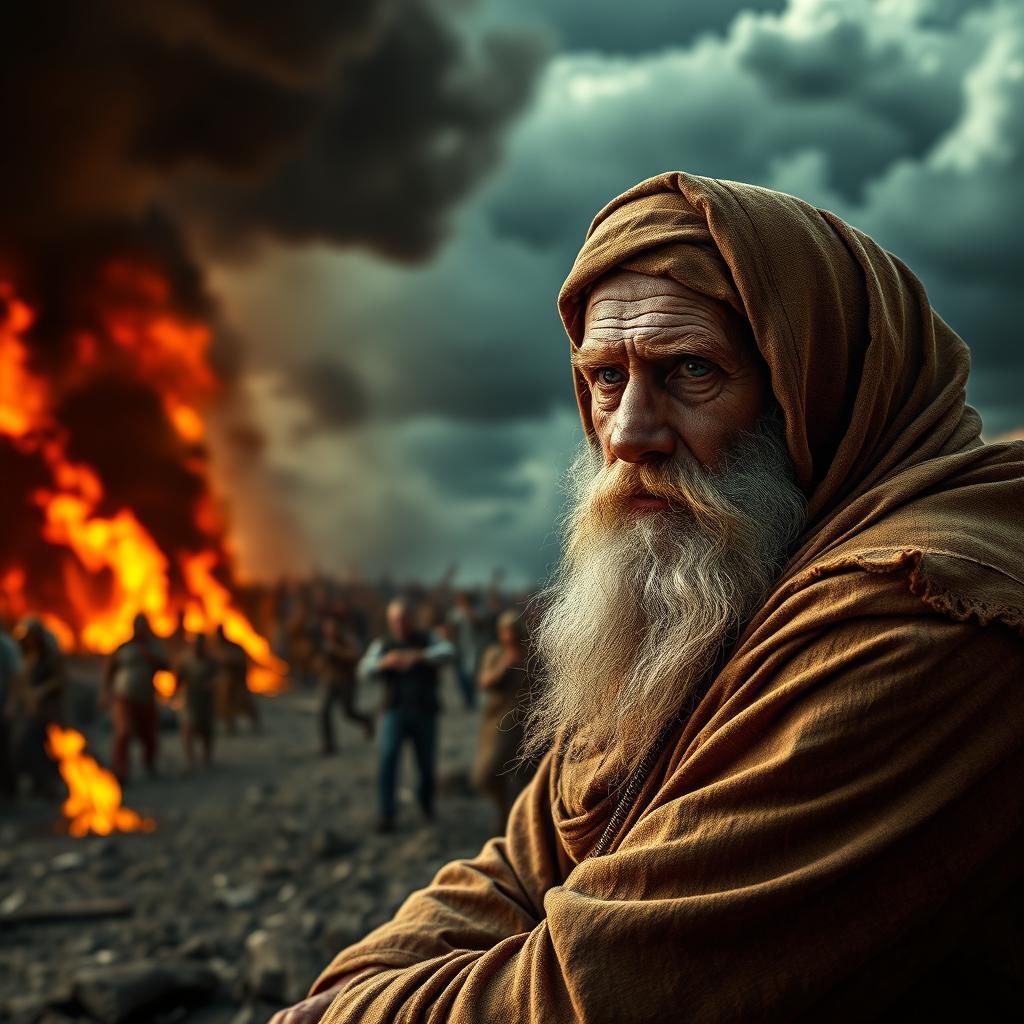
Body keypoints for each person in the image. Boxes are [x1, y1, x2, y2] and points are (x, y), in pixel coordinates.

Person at [273, 172, 1024, 1023]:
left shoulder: (925, 614)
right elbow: (518, 870)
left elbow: (600, 995)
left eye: (691, 370)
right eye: (604, 378)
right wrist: (344, 996)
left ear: (814, 389)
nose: (628, 432)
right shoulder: (716, 589)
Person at [360, 598, 454, 833]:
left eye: (403, 619)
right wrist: (384, 663)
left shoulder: (427, 638)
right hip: (395, 710)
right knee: (389, 759)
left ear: (412, 619)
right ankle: (387, 814)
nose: (400, 625)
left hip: (424, 711)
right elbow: (364, 668)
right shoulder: (384, 644)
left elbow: (448, 651)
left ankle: (426, 805)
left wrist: (419, 657)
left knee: (425, 763)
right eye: (395, 620)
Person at [472, 608, 535, 832]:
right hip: (498, 722)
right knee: (486, 773)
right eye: (505, 632)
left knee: (526, 779)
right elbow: (484, 682)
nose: (509, 637)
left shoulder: (532, 653)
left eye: (513, 632)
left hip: (528, 724)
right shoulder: (495, 653)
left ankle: (520, 823)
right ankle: (502, 808)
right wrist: (505, 665)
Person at [103, 613, 168, 783]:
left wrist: (148, 655)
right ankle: (120, 771)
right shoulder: (124, 648)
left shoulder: (153, 646)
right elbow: (109, 671)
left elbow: (166, 666)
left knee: (149, 735)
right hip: (124, 697)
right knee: (124, 733)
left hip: (145, 697)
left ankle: (150, 765)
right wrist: (105, 693)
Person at [9, 618, 65, 798]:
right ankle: (37, 783)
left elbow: (60, 679)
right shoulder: (23, 655)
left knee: (43, 745)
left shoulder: (49, 656)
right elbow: (20, 681)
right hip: (28, 709)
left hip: (46, 709)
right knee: (25, 745)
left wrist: (41, 691)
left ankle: (49, 784)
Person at [316, 608, 373, 754]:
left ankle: (366, 720)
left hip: (346, 682)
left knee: (348, 712)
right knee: (323, 711)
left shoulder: (348, 639)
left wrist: (336, 650)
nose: (329, 631)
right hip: (330, 681)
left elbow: (356, 656)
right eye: (327, 628)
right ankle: (328, 745)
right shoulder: (325, 642)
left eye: (332, 628)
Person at [173, 632, 218, 771]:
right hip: (190, 699)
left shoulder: (211, 660)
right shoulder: (185, 660)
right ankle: (190, 761)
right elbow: (178, 678)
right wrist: (174, 694)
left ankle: (206, 760)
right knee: (188, 728)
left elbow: (219, 676)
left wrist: (212, 684)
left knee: (207, 731)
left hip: (206, 701)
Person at [214, 624, 259, 733]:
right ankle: (230, 728)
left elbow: (240, 662)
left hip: (237, 683)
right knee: (225, 707)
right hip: (225, 684)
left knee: (246, 704)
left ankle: (256, 726)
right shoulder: (216, 648)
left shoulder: (234, 647)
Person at [446, 591, 480, 709]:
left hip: (471, 647)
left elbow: (479, 624)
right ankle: (466, 698)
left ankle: (471, 699)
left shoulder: (473, 612)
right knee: (460, 675)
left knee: (470, 674)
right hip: (458, 648)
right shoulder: (454, 614)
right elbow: (450, 629)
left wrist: (469, 614)